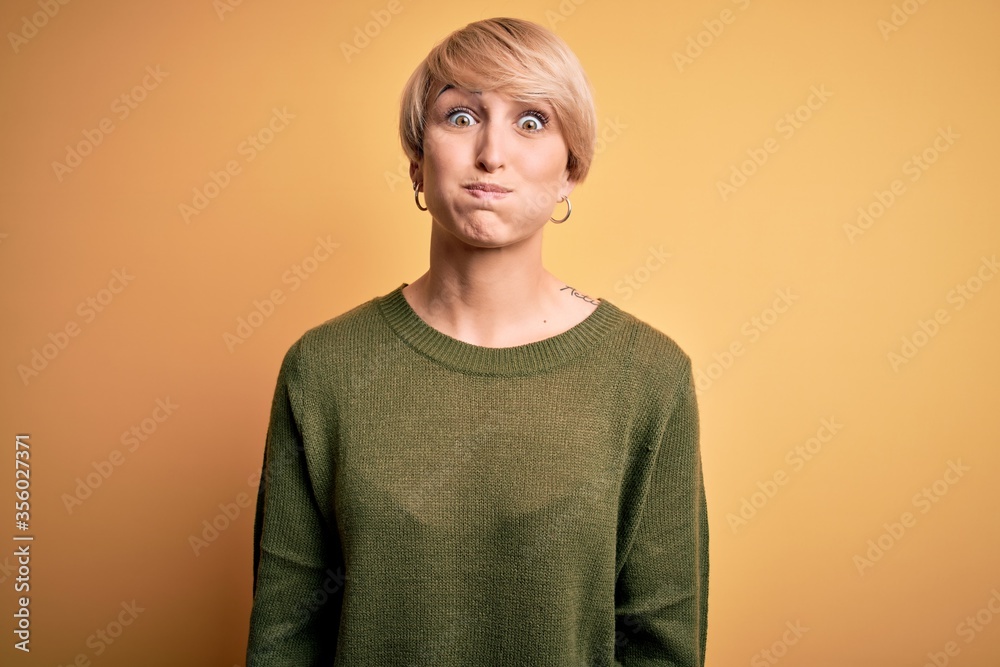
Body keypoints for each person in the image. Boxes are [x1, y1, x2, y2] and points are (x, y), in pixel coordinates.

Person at [246, 16, 708, 667]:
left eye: (532, 121)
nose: (492, 152)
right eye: (461, 116)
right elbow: (284, 636)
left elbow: (663, 641)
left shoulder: (648, 375)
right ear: (417, 160)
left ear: (570, 170)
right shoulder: (323, 368)